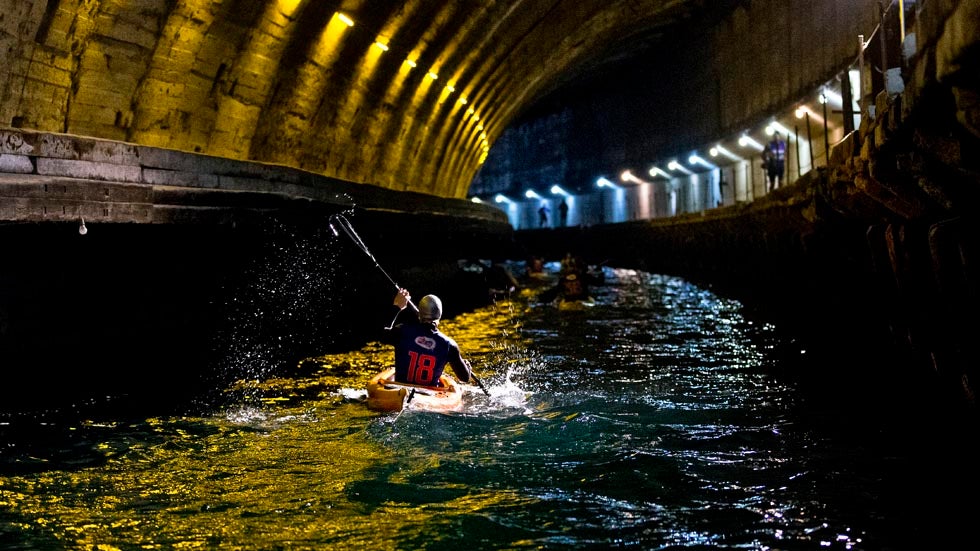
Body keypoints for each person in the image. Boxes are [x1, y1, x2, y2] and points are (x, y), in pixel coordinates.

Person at [381, 288, 472, 387]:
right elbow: (465, 378)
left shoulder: (401, 331)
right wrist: (467, 368)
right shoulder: (450, 345)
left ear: (420, 314)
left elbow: (382, 333)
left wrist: (397, 306)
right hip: (428, 396)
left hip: (399, 389)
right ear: (439, 315)